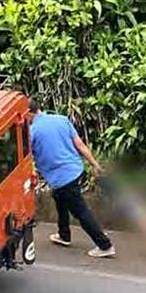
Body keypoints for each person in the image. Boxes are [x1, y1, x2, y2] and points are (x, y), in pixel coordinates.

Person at [28, 98, 115, 258]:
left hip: (62, 178)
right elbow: (80, 144)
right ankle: (64, 235)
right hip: (76, 170)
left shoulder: (32, 132)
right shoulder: (61, 119)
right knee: (58, 197)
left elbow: (27, 158)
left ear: (28, 114)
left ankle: (105, 245)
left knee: (80, 211)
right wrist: (94, 164)